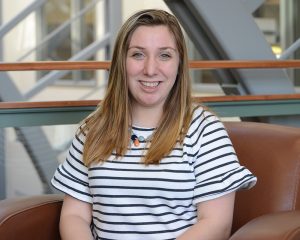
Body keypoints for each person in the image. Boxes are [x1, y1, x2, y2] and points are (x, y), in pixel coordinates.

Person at [51, 9, 257, 240]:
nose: (150, 69)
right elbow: (74, 216)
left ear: (179, 63)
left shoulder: (205, 131)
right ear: (122, 62)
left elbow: (216, 225)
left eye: (164, 55)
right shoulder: (92, 129)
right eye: (138, 54)